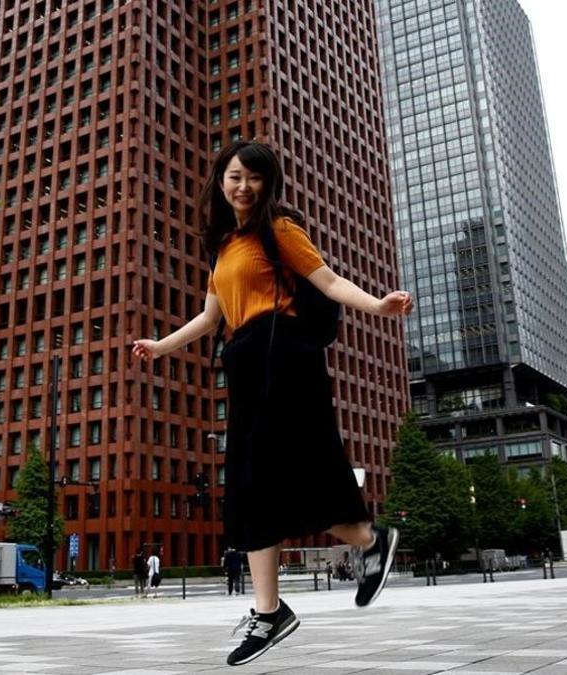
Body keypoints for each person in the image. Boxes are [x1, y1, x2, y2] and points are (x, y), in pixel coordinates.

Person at [131, 140, 411, 666]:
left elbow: (326, 281)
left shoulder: (278, 230)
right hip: (242, 358)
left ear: (267, 183)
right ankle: (272, 610)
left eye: (253, 177)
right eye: (234, 176)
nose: (243, 186)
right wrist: (160, 345)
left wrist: (378, 304)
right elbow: (211, 318)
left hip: (281, 354)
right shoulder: (223, 247)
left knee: (293, 468)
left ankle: (367, 537)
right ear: (221, 181)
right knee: (248, 485)